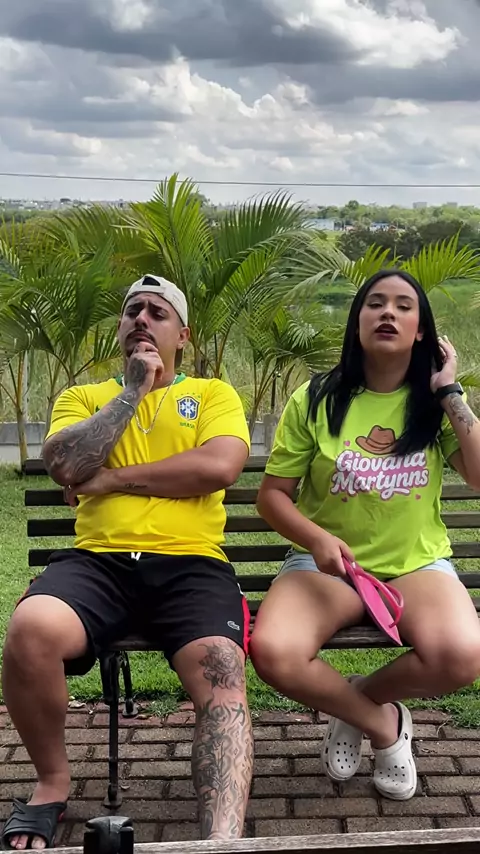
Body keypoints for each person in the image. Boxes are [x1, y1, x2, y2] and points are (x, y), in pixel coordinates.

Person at [2, 275, 253, 849]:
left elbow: (217, 467)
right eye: (133, 310)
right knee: (31, 628)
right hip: (98, 564)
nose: (142, 318)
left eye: (158, 313)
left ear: (182, 335)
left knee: (221, 667)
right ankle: (50, 785)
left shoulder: (213, 394)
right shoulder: (83, 397)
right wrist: (133, 391)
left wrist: (111, 478)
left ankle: (222, 841)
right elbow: (66, 464)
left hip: (191, 565)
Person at [250, 269, 480, 802]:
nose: (388, 313)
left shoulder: (434, 404)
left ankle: (357, 699)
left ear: (422, 331)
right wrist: (316, 540)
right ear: (357, 322)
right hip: (327, 569)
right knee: (275, 651)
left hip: (415, 565)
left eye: (403, 305)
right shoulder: (316, 398)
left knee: (463, 655)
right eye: (375, 303)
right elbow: (272, 497)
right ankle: (382, 724)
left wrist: (450, 391)